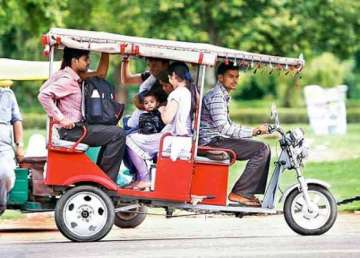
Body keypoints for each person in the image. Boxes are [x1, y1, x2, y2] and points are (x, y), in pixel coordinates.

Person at [38, 47, 125, 183]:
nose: (89, 62)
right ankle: (105, 180)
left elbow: (100, 74)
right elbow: (43, 95)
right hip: (71, 131)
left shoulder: (72, 76)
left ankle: (102, 177)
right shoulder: (68, 80)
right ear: (74, 61)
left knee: (113, 131)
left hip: (77, 128)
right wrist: (61, 118)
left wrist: (106, 50)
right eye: (85, 59)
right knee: (118, 134)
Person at [199, 62, 270, 207]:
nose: (235, 80)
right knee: (261, 149)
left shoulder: (222, 96)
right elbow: (224, 128)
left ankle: (246, 193)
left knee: (264, 148)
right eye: (231, 76)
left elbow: (228, 126)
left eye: (237, 76)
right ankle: (241, 193)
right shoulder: (217, 97)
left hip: (217, 139)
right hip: (212, 142)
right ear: (220, 78)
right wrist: (254, 131)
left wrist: (251, 132)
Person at [125, 62, 192, 190]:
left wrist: (162, 109)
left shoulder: (176, 94)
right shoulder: (186, 92)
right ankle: (141, 177)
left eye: (169, 77)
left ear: (173, 76)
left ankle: (144, 178)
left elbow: (167, 119)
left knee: (129, 139)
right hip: (179, 136)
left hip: (171, 137)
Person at [0, 80, 24, 215]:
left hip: (3, 147)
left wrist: (20, 145)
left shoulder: (7, 94)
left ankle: (1, 205)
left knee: (4, 173)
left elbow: (16, 120)